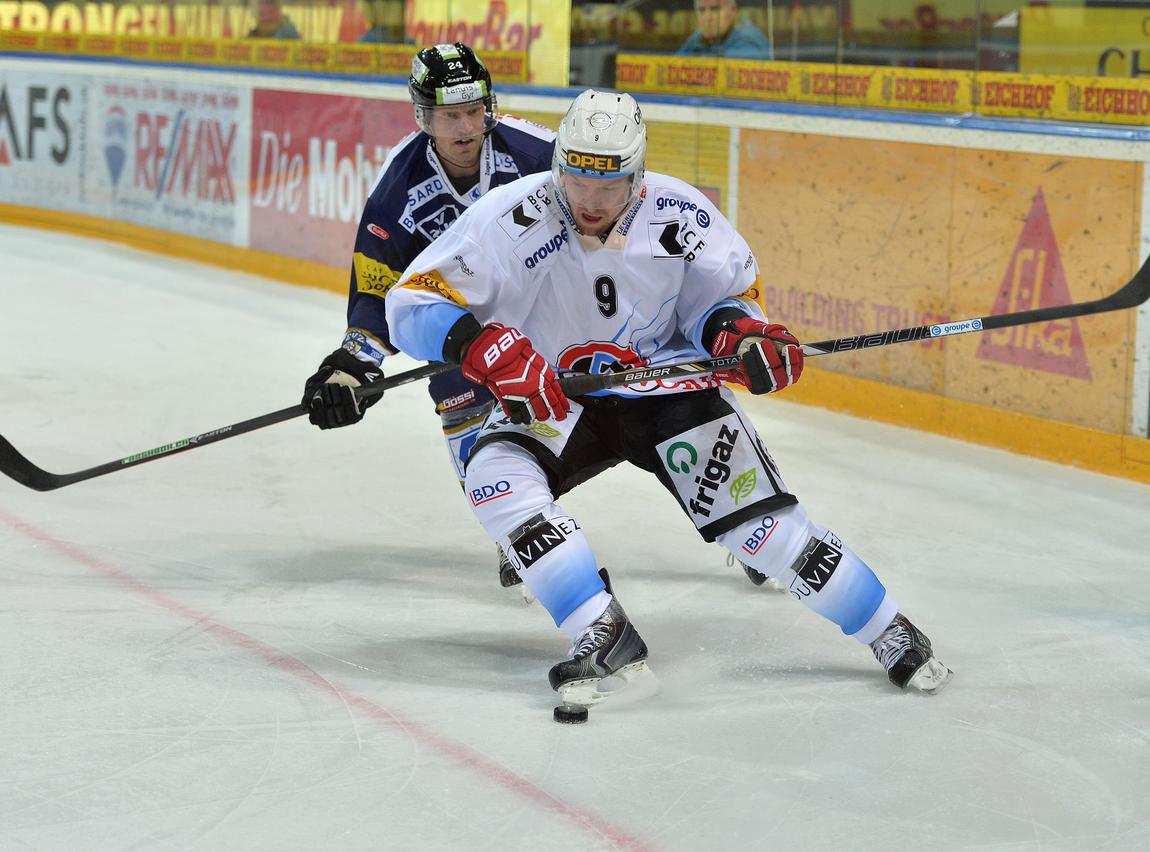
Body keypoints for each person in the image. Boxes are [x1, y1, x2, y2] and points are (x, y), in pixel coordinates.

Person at [384, 89, 953, 707]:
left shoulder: (682, 212)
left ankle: (888, 628)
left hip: (665, 389)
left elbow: (723, 303)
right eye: (576, 178)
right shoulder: (510, 216)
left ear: (639, 172)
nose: (590, 201)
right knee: (493, 476)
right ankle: (600, 631)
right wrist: (483, 347)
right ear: (558, 165)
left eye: (611, 184)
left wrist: (739, 334)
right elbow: (411, 302)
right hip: (559, 397)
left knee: (761, 532)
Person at [301, 43, 557, 591]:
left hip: (554, 316)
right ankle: (524, 532)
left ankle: (744, 510)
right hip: (461, 343)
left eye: (473, 111)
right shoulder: (395, 189)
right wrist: (351, 366)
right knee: (479, 447)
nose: (466, 127)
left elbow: (610, 199)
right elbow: (377, 293)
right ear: (423, 116)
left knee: (652, 401)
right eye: (449, 115)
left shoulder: (539, 153)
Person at [676, 0, 770, 59]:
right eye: (701, 10)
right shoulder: (698, 38)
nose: (708, 18)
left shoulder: (748, 39)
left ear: (733, 10)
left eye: (715, 9)